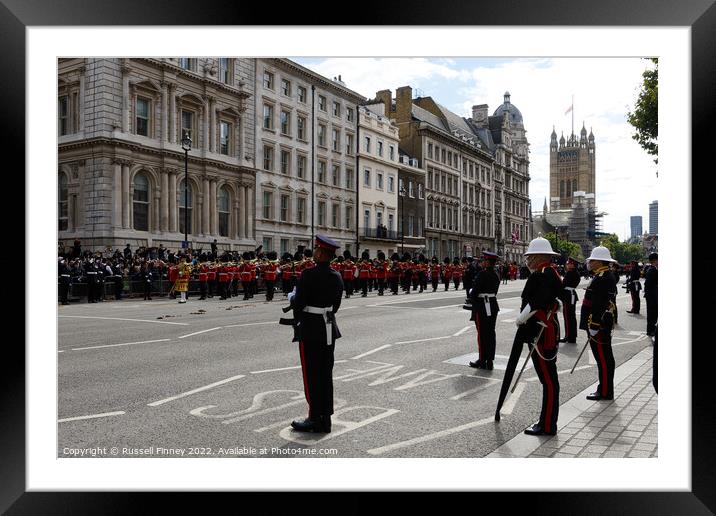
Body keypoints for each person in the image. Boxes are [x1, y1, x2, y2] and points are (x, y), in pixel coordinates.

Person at [289, 234, 344, 433]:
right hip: (329, 328)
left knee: (312, 375)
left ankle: (314, 418)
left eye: (316, 249)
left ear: (320, 253)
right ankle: (325, 418)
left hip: (311, 329)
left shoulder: (308, 275)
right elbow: (335, 306)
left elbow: (299, 304)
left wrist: (293, 298)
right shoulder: (336, 276)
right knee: (325, 374)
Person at [516, 236, 562, 436]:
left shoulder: (540, 275)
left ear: (539, 257)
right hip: (548, 327)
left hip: (540, 331)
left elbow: (534, 303)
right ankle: (546, 421)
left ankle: (548, 424)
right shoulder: (552, 273)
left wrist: (520, 319)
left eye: (530, 256)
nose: (528, 260)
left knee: (548, 380)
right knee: (549, 379)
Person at [580, 246, 618, 401]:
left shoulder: (603, 278)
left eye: (593, 260)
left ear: (600, 261)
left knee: (603, 358)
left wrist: (594, 324)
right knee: (604, 358)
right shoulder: (601, 275)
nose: (590, 262)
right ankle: (604, 388)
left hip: (599, 324)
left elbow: (600, 304)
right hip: (599, 323)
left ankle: (605, 391)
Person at [468, 251, 500, 370]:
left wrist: (471, 296)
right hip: (492, 305)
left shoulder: (482, 274)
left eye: (483, 261)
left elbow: (475, 292)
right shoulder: (496, 274)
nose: (482, 262)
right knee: (491, 333)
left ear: (487, 262)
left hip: (482, 305)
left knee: (482, 334)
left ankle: (482, 359)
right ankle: (490, 360)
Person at [559, 258, 580, 344]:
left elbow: (563, 285)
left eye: (569, 264)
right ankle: (572, 336)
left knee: (568, 317)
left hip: (568, 295)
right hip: (571, 295)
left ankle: (568, 336)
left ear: (572, 264)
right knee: (571, 317)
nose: (567, 265)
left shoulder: (570, 273)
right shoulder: (575, 272)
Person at [644, 252, 658, 337]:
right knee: (652, 313)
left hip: (652, 295)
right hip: (651, 296)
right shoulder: (652, 270)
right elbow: (648, 284)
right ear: (654, 260)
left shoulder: (653, 269)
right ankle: (650, 330)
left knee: (654, 313)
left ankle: (652, 329)